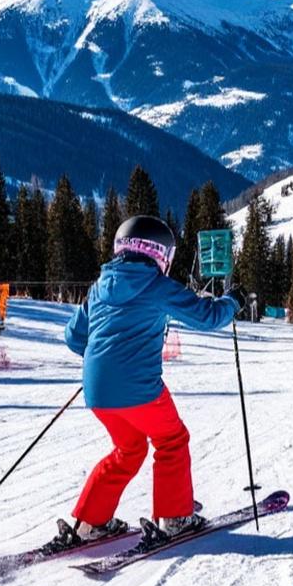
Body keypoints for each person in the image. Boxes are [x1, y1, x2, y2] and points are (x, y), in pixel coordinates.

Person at [57, 215, 244, 550]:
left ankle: (91, 523)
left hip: (98, 391)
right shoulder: (156, 285)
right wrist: (234, 301)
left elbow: (74, 338)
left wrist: (105, 354)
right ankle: (175, 518)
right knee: (172, 440)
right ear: (162, 255)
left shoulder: (99, 287)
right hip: (139, 389)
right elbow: (208, 317)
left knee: (129, 449)